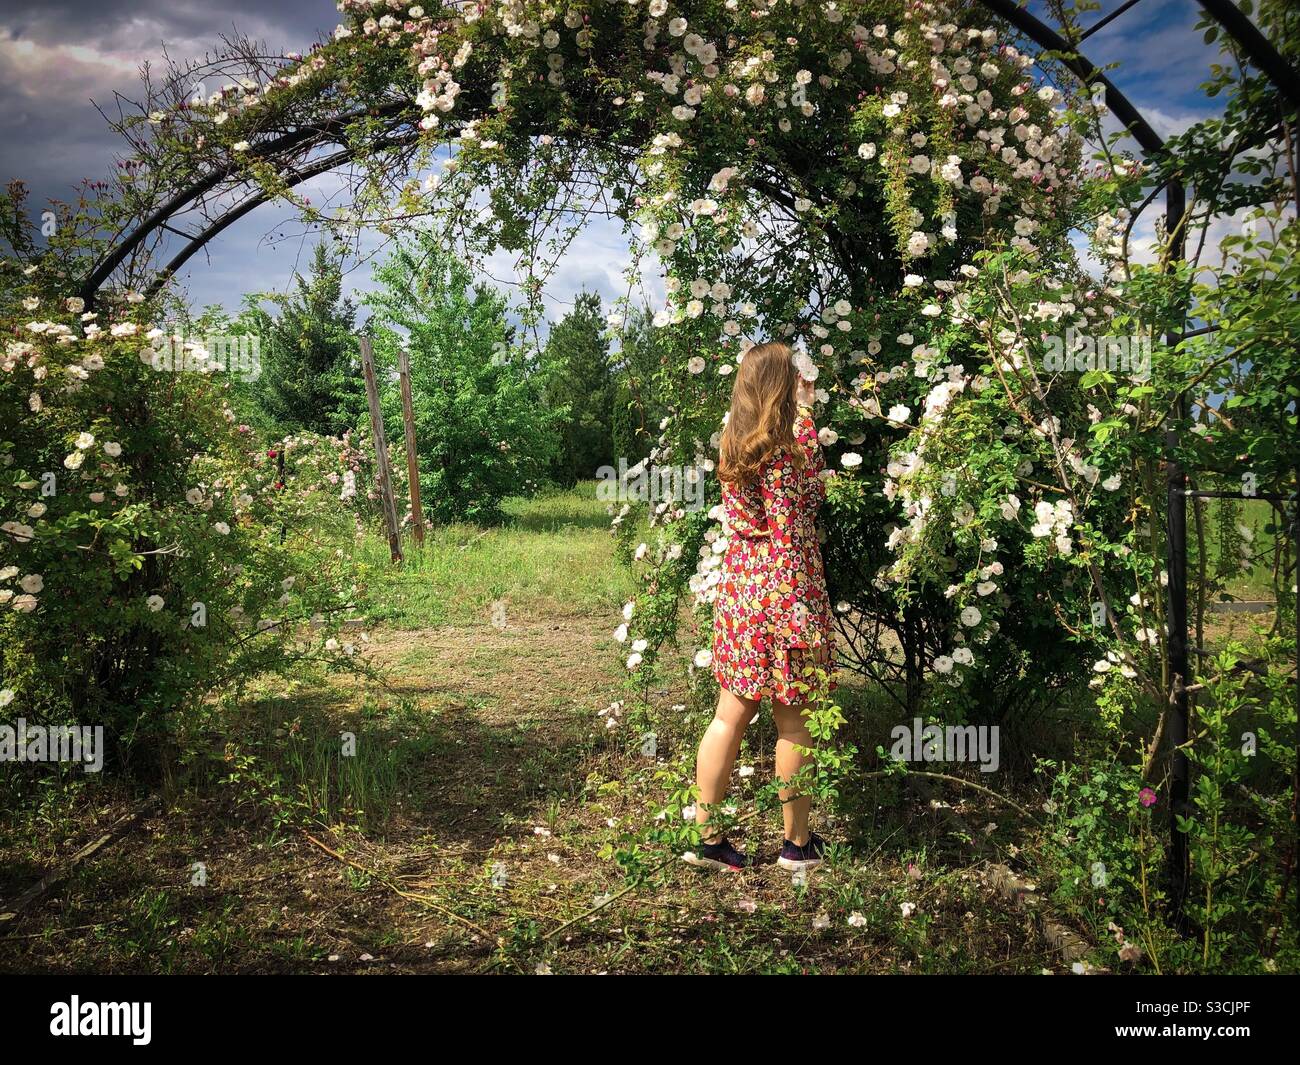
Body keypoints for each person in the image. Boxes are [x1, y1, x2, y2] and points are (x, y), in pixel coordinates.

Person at [686, 341, 835, 873]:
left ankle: (709, 841)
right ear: (782, 383)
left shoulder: (735, 441)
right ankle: (797, 846)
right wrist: (809, 425)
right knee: (794, 721)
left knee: (730, 716)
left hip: (742, 589)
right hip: (783, 590)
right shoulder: (788, 445)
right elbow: (793, 524)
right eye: (794, 374)